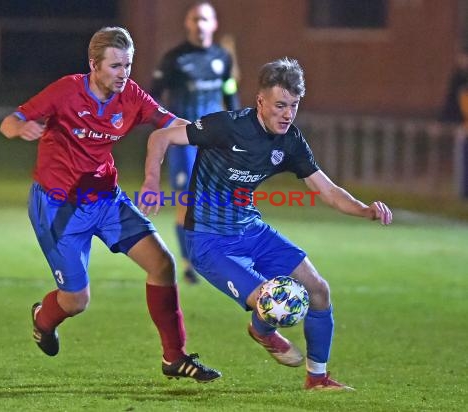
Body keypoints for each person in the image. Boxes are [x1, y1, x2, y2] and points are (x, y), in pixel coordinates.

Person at [140, 57, 393, 390]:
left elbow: (326, 189)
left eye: (294, 106)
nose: (287, 114)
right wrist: (151, 182)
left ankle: (317, 378)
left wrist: (365, 210)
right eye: (279, 105)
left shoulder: (290, 142)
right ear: (260, 102)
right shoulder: (226, 126)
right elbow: (162, 137)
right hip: (209, 241)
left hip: (252, 230)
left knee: (318, 290)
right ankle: (262, 330)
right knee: (270, 299)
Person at [0, 26, 221, 383]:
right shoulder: (67, 90)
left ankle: (174, 357)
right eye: (116, 66)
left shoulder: (131, 95)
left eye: (128, 65)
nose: (123, 74)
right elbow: (11, 121)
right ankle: (43, 319)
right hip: (58, 207)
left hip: (106, 199)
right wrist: (20, 128)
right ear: (94, 64)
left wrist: (212, 134)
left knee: (162, 264)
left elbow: (169, 123)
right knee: (76, 301)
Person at [150, 1, 240, 284]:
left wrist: (238, 127)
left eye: (205, 19)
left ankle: (216, 256)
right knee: (187, 202)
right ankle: (190, 263)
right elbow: (152, 98)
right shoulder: (175, 59)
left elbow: (230, 92)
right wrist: (167, 128)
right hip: (185, 142)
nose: (200, 24)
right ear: (187, 24)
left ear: (214, 24)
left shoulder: (223, 58)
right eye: (195, 19)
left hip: (216, 143)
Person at [440, 49, 468, 124]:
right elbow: (451, 98)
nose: (463, 61)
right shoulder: (456, 77)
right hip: (456, 114)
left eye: (465, 58)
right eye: (461, 58)